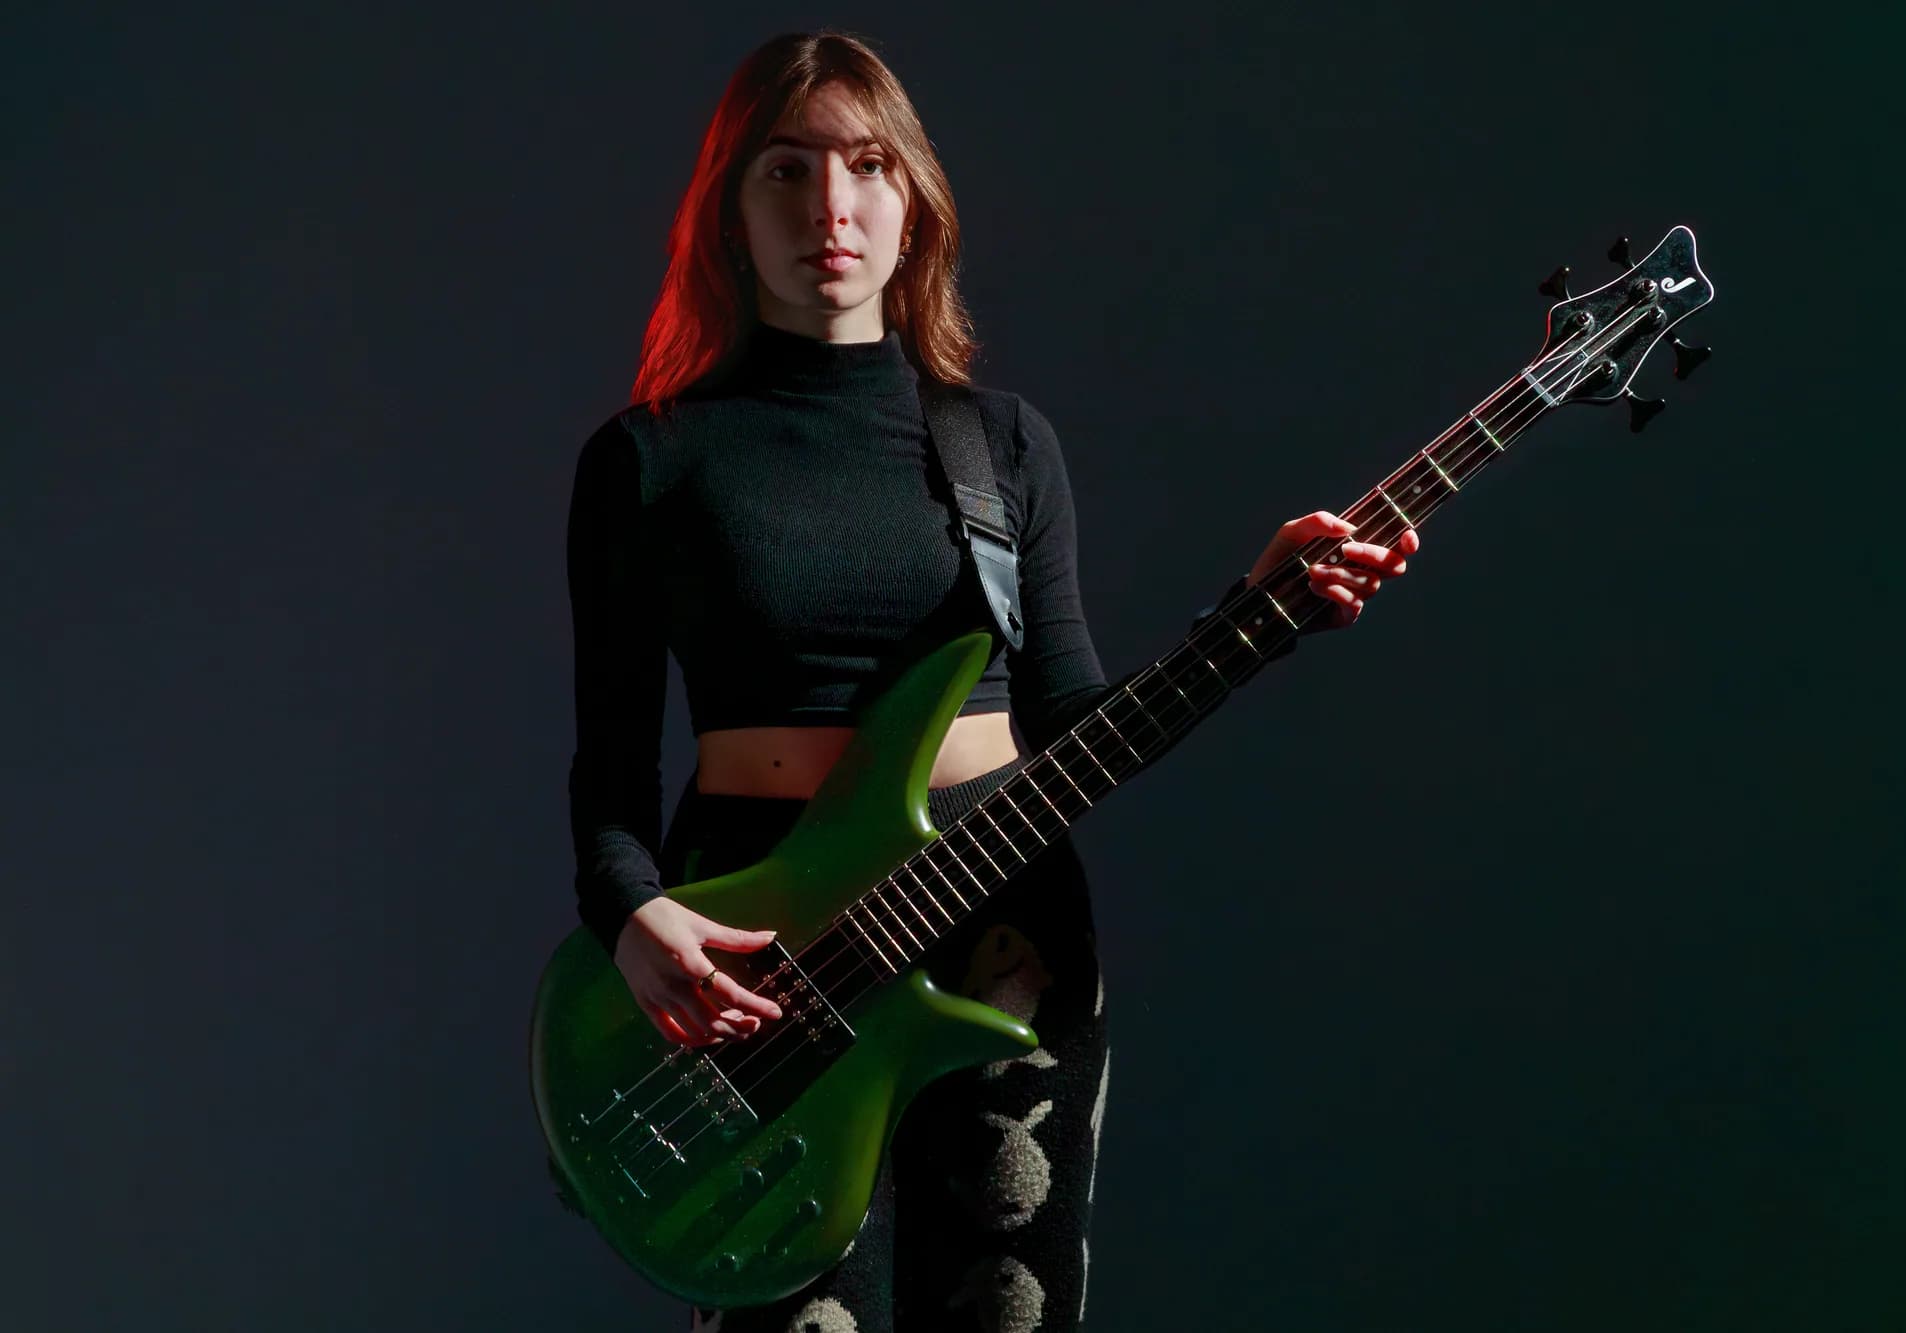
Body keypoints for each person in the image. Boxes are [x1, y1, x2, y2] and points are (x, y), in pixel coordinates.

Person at [564, 29, 1419, 1333]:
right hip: (764, 947)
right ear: (731, 212)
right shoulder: (648, 460)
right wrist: (635, 917)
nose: (830, 206)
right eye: (785, 172)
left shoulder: (1000, 444)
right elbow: (610, 766)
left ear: (915, 204)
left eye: (866, 166)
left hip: (1005, 935)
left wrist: (1256, 614)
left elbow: (1074, 719)